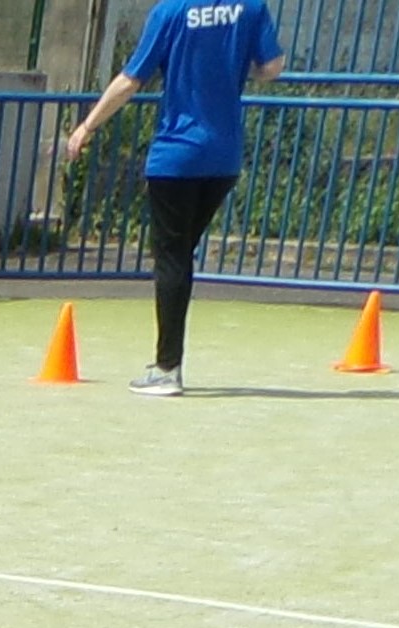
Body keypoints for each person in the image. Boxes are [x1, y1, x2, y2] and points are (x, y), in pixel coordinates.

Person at [60, 0, 285, 398]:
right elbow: (272, 67)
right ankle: (168, 362)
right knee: (180, 255)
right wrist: (236, 66)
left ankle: (167, 368)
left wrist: (87, 126)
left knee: (171, 260)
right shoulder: (251, 7)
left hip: (176, 156)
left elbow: (131, 79)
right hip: (223, 158)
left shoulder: (171, 12)